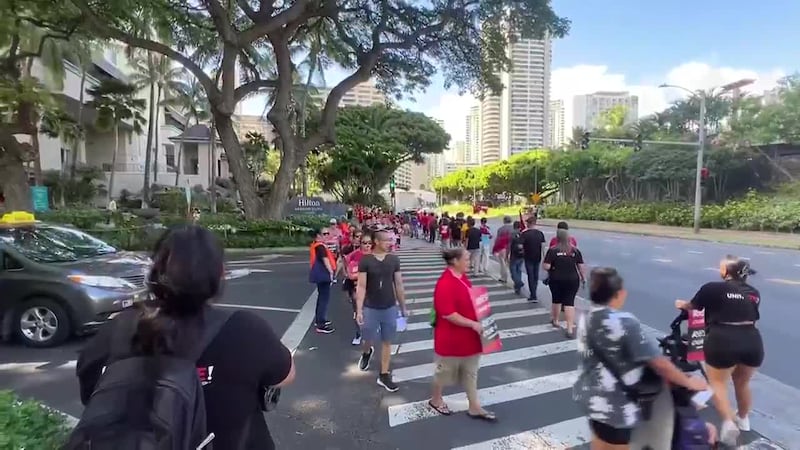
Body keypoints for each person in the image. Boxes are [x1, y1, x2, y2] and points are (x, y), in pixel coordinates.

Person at [75, 225, 296, 450]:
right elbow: (285, 375)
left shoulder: (118, 327)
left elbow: (90, 391)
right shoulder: (246, 329)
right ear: (220, 274)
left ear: (156, 271)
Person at [574, 267, 708, 450]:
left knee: (600, 442)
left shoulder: (586, 317)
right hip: (615, 407)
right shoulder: (624, 321)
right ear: (619, 294)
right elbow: (659, 363)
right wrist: (689, 382)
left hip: (591, 398)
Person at [675, 255, 762, 446]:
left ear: (725, 272)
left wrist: (682, 305)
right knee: (742, 383)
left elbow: (693, 308)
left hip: (724, 339)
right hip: (752, 340)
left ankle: (728, 423)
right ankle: (744, 420)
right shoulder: (754, 293)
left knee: (717, 383)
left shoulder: (712, 288)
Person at [427, 248, 496, 421]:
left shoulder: (462, 277)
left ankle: (474, 406)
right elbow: (448, 314)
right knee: (442, 374)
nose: (469, 261)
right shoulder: (445, 283)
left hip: (471, 339)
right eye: (466, 259)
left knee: (471, 373)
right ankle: (436, 399)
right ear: (455, 261)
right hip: (451, 341)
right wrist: (472, 323)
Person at [355, 230, 408, 392]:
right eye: (386, 240)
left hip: (389, 307)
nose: (390, 243)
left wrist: (403, 307)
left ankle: (384, 375)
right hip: (370, 307)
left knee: (387, 341)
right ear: (376, 242)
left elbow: (398, 284)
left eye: (390, 240)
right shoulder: (366, 260)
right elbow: (362, 286)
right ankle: (366, 352)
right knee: (367, 337)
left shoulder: (393, 259)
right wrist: (359, 309)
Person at [542, 229, 585, 338]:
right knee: (569, 302)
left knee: (556, 300)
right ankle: (570, 328)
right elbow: (581, 266)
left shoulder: (553, 250)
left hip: (556, 278)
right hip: (572, 279)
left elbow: (546, 266)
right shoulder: (575, 250)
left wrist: (552, 267)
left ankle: (555, 320)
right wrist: (583, 278)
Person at [310, 228, 337, 334]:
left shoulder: (316, 245)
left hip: (319, 275)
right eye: (324, 234)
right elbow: (325, 260)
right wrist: (331, 273)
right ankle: (321, 323)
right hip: (323, 275)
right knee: (324, 299)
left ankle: (320, 319)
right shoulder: (320, 247)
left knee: (322, 297)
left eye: (327, 234)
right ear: (318, 235)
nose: (327, 236)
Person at [520, 216, 545, 302]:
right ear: (534, 223)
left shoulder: (524, 234)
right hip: (537, 257)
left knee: (530, 275)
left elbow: (520, 246)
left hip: (528, 256)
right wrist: (544, 257)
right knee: (535, 275)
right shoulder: (540, 233)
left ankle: (533, 294)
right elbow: (543, 247)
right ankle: (534, 290)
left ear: (528, 224)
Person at [492, 216, 514, 284]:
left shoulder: (501, 229)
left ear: (504, 221)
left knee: (503, 263)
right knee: (512, 263)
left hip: (503, 248)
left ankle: (504, 277)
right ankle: (514, 277)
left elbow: (498, 240)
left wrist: (495, 249)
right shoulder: (514, 228)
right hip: (513, 247)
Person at [508, 221, 525, 295]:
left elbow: (508, 246)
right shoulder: (522, 234)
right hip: (521, 255)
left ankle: (519, 283)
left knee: (513, 271)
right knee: (519, 270)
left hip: (514, 255)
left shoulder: (511, 234)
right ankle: (517, 288)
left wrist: (507, 254)